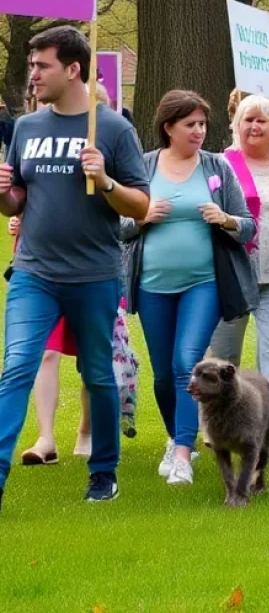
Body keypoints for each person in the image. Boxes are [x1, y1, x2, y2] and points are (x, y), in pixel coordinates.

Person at [0, 27, 149, 509]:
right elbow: (17, 200)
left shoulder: (113, 129)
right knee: (17, 366)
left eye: (41, 66)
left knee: (98, 374)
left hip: (94, 275)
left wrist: (105, 180)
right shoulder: (25, 128)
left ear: (73, 69)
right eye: (32, 66)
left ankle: (103, 473)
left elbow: (142, 206)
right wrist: (4, 192)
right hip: (33, 273)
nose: (33, 75)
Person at [123, 90, 256, 486]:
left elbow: (248, 224)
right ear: (169, 127)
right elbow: (116, 229)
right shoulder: (142, 167)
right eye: (190, 125)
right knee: (164, 374)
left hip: (204, 283)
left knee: (186, 363)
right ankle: (177, 437)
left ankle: (183, 454)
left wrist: (226, 219)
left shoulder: (217, 167)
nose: (199, 132)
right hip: (152, 285)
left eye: (202, 124)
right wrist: (142, 218)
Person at [208, 94, 269, 454]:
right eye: (248, 119)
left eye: (263, 120)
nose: (255, 126)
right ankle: (222, 425)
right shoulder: (217, 165)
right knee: (224, 357)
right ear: (236, 124)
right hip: (230, 275)